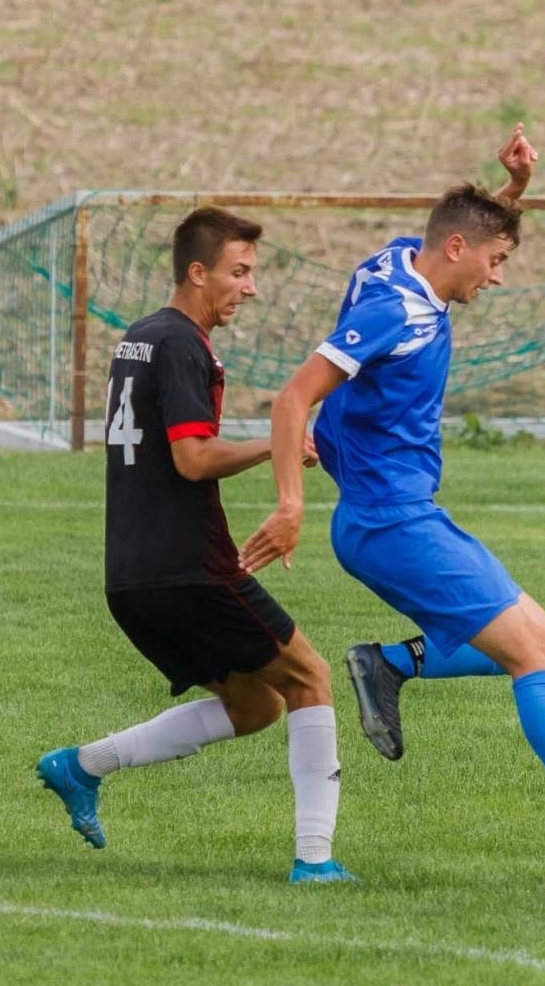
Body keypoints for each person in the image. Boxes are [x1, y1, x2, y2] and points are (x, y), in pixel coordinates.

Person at [239, 126, 545, 882]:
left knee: (543, 632)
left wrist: (510, 193)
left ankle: (388, 663)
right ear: (455, 253)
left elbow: (463, 225)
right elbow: (292, 397)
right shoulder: (393, 313)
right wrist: (289, 502)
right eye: (498, 262)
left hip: (401, 516)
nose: (498, 278)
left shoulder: (393, 260)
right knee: (532, 652)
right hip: (389, 523)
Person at [36, 206, 356, 884]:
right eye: (240, 272)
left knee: (256, 704)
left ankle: (81, 765)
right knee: (310, 677)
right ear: (198, 271)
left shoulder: (138, 337)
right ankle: (316, 860)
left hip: (129, 575)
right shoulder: (184, 344)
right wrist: (276, 441)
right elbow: (192, 457)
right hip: (191, 568)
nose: (251, 286)